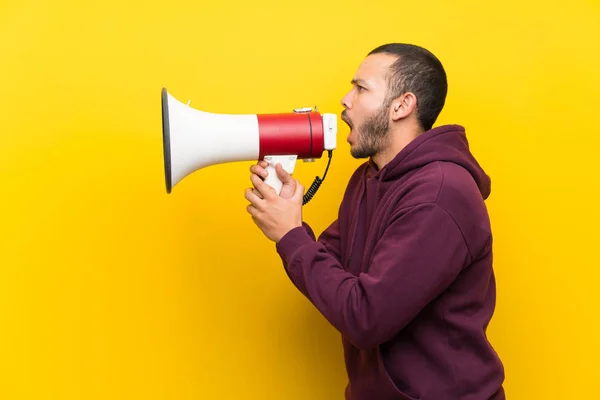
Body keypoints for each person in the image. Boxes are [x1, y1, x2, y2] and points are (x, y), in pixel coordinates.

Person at [244, 43, 505, 400]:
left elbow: (365, 319)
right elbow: (330, 274)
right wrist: (287, 218)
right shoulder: (369, 178)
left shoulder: (440, 195)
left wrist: (290, 235)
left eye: (361, 88)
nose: (345, 100)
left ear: (402, 105)